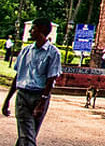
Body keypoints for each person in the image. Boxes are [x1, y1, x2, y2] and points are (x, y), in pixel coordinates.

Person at [3, 17, 63, 146]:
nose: (30, 31)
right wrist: (8, 99)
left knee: (29, 134)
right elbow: (18, 76)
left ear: (42, 30)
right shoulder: (26, 51)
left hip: (39, 96)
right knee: (27, 134)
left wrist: (42, 101)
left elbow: (51, 79)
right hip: (23, 96)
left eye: (33, 29)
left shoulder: (53, 53)